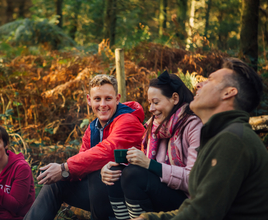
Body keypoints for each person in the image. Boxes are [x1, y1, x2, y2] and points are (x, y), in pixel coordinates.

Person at [136, 58, 268, 220]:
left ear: (228, 93)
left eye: (210, 80)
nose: (198, 85)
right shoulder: (222, 135)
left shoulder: (232, 140)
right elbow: (198, 206)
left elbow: (202, 214)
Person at [23, 74, 145, 220]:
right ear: (89, 100)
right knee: (57, 184)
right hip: (102, 192)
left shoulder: (128, 120)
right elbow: (82, 166)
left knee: (96, 174)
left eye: (108, 98)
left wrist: (64, 167)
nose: (103, 104)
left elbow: (107, 150)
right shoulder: (93, 128)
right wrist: (61, 173)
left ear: (117, 99)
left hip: (129, 195)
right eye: (97, 99)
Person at [101, 71, 202, 219]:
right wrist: (113, 166)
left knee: (133, 175)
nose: (151, 109)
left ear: (174, 98)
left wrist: (150, 165)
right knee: (116, 174)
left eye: (155, 102)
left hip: (187, 201)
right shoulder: (152, 127)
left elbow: (194, 180)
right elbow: (142, 165)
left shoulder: (193, 126)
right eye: (149, 103)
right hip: (162, 189)